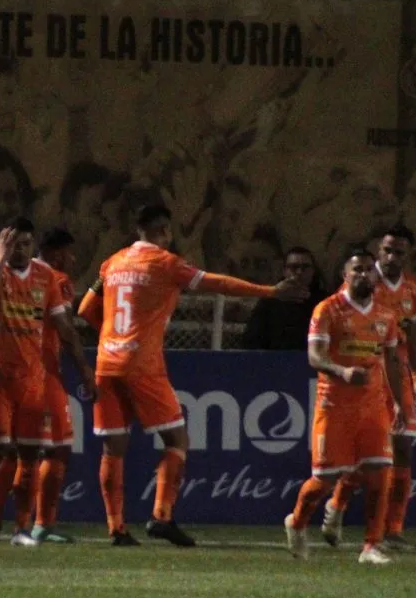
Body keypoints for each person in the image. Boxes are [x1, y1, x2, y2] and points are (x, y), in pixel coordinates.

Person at [77, 205, 307, 547]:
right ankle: (162, 517)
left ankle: (116, 529)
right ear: (164, 231)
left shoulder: (112, 262)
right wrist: (269, 292)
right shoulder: (166, 263)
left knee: (114, 448)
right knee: (177, 441)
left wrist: (113, 338)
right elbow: (217, 283)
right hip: (142, 363)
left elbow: (84, 309)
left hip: (107, 362)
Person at [0, 218, 96, 546]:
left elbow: (63, 326)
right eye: (14, 243)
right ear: (2, 244)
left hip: (33, 378)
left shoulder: (47, 278)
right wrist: (0, 257)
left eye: (25, 243)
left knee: (29, 454)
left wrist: (83, 367)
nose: (21, 250)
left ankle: (20, 529)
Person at [284, 247, 408, 565]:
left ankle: (371, 546)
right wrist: (341, 372)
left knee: (381, 471)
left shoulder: (385, 316)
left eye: (369, 270)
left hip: (373, 406)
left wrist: (399, 402)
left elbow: (392, 361)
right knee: (323, 480)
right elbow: (314, 357)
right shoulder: (328, 310)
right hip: (334, 404)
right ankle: (296, 522)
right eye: (357, 270)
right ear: (345, 275)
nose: (364, 275)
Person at [322, 224, 416, 551]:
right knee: (368, 456)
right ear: (378, 250)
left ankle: (392, 530)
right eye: (387, 250)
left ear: (408, 254)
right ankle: (336, 506)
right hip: (368, 377)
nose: (391, 257)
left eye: (398, 251)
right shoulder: (364, 280)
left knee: (403, 448)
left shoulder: (412, 289)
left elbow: (410, 333)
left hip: (399, 374)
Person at [30, 227, 80, 544]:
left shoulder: (17, 277)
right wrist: (85, 369)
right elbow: (65, 329)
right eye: (68, 253)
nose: (72, 259)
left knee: (8, 451)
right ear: (55, 254)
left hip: (14, 372)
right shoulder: (57, 280)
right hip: (45, 374)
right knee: (57, 448)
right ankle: (42, 525)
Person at [242, 247, 329, 350]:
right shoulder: (269, 302)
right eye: (294, 267)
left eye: (305, 267)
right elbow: (252, 339)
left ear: (313, 271)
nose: (299, 272)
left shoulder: (326, 302)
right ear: (284, 271)